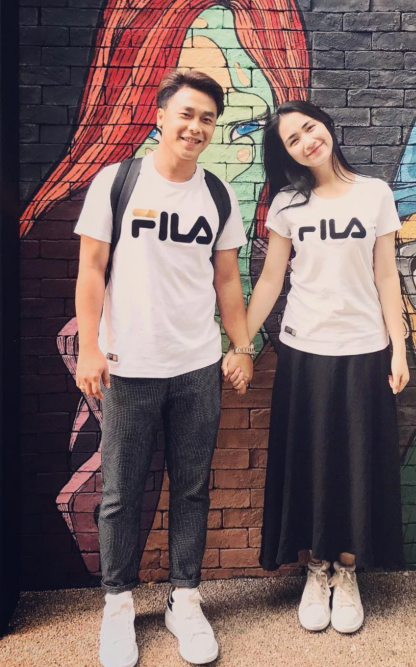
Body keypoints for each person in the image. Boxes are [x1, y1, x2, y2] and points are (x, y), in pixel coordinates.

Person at [74, 69, 253, 667]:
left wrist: (242, 345)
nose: (196, 127)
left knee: (193, 487)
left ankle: (184, 596)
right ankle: (118, 604)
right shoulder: (117, 182)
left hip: (197, 366)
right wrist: (90, 348)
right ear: (161, 116)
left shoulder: (218, 195)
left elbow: (227, 280)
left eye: (207, 119)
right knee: (121, 492)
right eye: (187, 114)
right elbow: (91, 270)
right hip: (129, 366)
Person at [225, 100, 408, 635]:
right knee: (308, 460)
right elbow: (271, 279)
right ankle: (316, 569)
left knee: (355, 462)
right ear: (287, 154)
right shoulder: (287, 203)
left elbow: (387, 277)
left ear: (325, 126)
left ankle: (346, 571)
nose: (307, 141)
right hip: (303, 350)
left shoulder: (374, 193)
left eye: (309, 128)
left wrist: (399, 349)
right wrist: (241, 343)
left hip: (364, 349)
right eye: (293, 140)